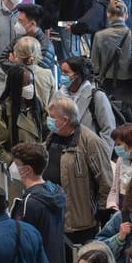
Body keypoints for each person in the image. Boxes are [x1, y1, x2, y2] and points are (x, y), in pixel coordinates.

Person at [45, 94, 115, 243]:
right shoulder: (52, 137)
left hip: (81, 223)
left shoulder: (90, 142)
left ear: (65, 120)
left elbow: (105, 181)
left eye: (52, 117)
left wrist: (102, 213)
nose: (49, 121)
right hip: (54, 218)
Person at [0, 63, 49, 166]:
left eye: (31, 82)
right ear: (16, 86)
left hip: (39, 165)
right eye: (25, 84)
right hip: (17, 170)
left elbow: (48, 133)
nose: (30, 87)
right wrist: (14, 163)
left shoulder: (38, 105)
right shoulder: (2, 112)